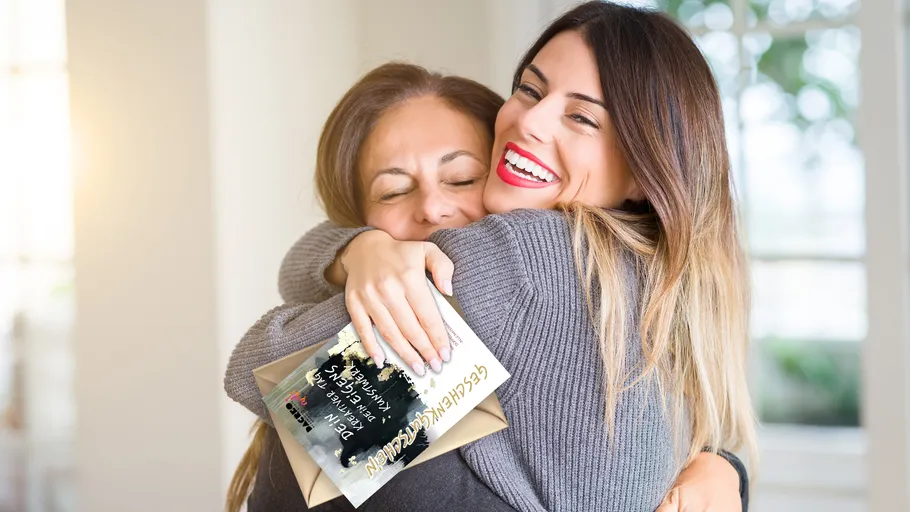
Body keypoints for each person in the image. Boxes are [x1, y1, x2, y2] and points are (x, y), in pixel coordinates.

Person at [227, 2, 755, 508]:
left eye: (581, 117)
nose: (531, 121)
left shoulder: (516, 259)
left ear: (645, 169)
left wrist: (356, 255)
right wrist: (357, 248)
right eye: (530, 89)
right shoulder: (659, 279)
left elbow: (258, 375)